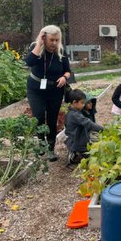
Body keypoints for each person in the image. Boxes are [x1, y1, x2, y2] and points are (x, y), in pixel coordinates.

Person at [25, 25, 72, 159]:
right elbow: (29, 62)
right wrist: (39, 44)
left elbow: (68, 71)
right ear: (44, 38)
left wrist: (64, 77)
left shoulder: (61, 52)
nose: (55, 43)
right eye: (52, 40)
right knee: (38, 117)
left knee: (52, 119)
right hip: (36, 90)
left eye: (57, 40)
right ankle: (41, 145)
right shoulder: (36, 47)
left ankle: (51, 149)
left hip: (55, 90)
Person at [63, 89, 103, 165]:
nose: (84, 105)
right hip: (76, 140)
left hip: (77, 137)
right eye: (82, 103)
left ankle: (75, 151)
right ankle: (73, 153)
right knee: (91, 157)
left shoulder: (73, 112)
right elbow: (88, 123)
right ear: (74, 102)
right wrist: (102, 129)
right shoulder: (74, 115)